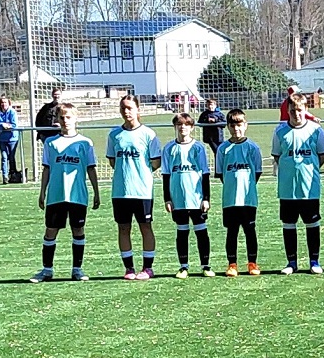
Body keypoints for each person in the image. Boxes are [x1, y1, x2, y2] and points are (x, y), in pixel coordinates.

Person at [30, 103, 100, 283]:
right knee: (50, 231)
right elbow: (46, 169)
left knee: (78, 230)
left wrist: (96, 192)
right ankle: (47, 270)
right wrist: (42, 192)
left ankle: (77, 269)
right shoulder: (50, 142)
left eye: (68, 117)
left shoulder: (85, 143)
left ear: (76, 118)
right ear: (57, 119)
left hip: (77, 195)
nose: (65, 121)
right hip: (56, 195)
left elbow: (91, 168)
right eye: (61, 117)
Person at [271, 93, 324, 274]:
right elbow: (277, 156)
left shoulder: (316, 130)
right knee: (289, 224)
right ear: (288, 111)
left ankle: (314, 262)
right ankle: (291, 263)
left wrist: (310, 169)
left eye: (299, 110)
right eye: (292, 111)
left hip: (309, 187)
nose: (296, 114)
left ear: (305, 109)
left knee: (312, 224)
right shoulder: (279, 131)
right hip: (287, 188)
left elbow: (323, 155)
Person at [106, 95, 163, 280]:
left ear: (138, 109)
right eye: (123, 108)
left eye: (130, 107)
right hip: (120, 191)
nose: (126, 111)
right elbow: (113, 161)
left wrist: (141, 172)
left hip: (142, 190)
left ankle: (147, 268)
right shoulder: (114, 135)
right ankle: (129, 268)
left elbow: (156, 162)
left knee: (145, 227)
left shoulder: (148, 134)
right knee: (123, 229)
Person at [162, 113, 213, 279]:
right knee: (182, 232)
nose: (182, 127)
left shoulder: (198, 148)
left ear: (191, 127)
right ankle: (183, 267)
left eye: (186, 124)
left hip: (196, 198)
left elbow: (205, 173)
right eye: (179, 124)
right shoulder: (169, 148)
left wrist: (206, 198)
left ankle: (205, 265)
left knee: (201, 232)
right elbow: (166, 174)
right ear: (175, 127)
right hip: (178, 199)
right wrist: (167, 199)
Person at [216, 109, 263, 277]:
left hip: (248, 198)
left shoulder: (252, 147)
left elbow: (257, 172)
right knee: (232, 231)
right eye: (232, 125)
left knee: (250, 230)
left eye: (239, 124)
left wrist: (245, 186)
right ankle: (232, 264)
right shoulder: (223, 148)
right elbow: (221, 173)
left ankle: (252, 263)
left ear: (245, 125)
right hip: (230, 198)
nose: (236, 128)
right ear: (228, 127)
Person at [0, 95, 20, 184]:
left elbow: (14, 125)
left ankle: (12, 174)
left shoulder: (12, 112)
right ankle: (5, 176)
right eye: (2, 102)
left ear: (9, 103)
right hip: (2, 139)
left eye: (5, 102)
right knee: (4, 157)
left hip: (12, 138)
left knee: (11, 157)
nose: (3, 104)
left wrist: (8, 126)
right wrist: (2, 125)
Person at [198, 99, 226, 165]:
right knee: (217, 152)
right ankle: (218, 168)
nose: (210, 106)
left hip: (219, 136)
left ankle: (220, 167)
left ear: (215, 105)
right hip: (210, 137)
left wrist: (216, 120)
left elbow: (224, 124)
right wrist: (207, 120)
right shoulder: (204, 114)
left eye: (212, 105)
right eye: (208, 105)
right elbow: (200, 123)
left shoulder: (220, 114)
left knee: (220, 152)